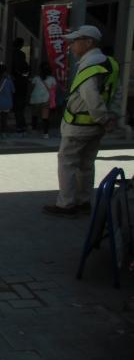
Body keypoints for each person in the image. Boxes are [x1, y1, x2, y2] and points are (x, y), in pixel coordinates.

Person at [43, 25, 119, 218]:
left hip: (80, 124)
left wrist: (103, 118)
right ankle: (84, 201)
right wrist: (110, 118)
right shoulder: (110, 63)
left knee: (67, 162)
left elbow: (90, 96)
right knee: (86, 164)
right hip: (96, 126)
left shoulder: (90, 65)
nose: (71, 46)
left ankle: (66, 204)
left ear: (88, 42)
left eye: (75, 42)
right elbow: (115, 93)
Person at [29, 62, 57, 139]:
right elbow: (54, 90)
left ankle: (34, 130)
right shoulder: (52, 79)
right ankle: (45, 134)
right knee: (45, 117)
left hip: (35, 99)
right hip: (46, 99)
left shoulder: (36, 78)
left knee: (34, 115)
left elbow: (31, 88)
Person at [11, 38, 31, 136]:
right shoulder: (21, 55)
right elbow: (24, 67)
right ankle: (22, 126)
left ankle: (20, 126)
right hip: (21, 85)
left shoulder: (10, 54)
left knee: (17, 107)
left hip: (15, 83)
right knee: (20, 107)